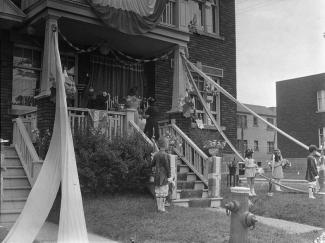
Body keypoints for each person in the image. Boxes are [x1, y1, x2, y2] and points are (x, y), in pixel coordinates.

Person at [151, 137, 172, 212]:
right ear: (166, 145)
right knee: (163, 192)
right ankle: (162, 209)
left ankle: (159, 208)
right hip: (164, 176)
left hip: (157, 175)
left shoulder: (156, 155)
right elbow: (167, 167)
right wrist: (169, 177)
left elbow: (152, 164)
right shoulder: (167, 155)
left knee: (158, 192)